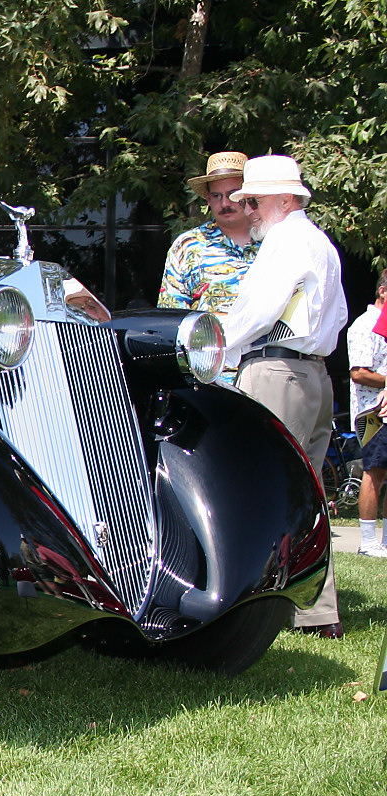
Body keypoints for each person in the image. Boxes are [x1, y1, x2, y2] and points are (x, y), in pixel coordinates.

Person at [221, 154, 348, 638]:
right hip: (313, 376)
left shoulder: (286, 242)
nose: (247, 209)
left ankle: (257, 610)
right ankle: (315, 612)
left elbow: (256, 312)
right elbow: (335, 318)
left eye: (252, 199)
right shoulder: (319, 244)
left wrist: (211, 349)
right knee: (305, 496)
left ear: (284, 199)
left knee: (264, 488)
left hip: (277, 369)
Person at [157, 151, 257, 322]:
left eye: (232, 194)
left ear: (248, 195)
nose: (225, 203)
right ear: (208, 199)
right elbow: (170, 317)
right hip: (208, 346)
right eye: (216, 196)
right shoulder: (188, 246)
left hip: (269, 347)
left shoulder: (275, 240)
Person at [347, 270, 387, 558]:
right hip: (372, 414)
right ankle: (369, 542)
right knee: (374, 473)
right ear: (383, 291)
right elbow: (359, 372)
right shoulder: (365, 326)